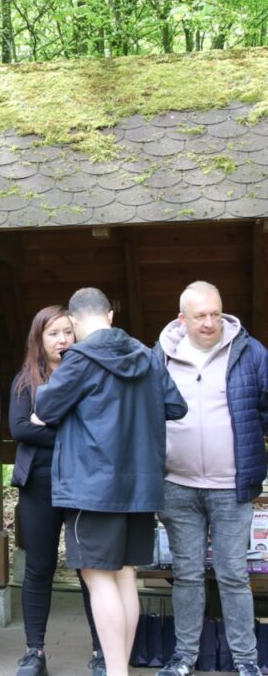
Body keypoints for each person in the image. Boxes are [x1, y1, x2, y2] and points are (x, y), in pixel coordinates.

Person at [33, 287, 187, 676]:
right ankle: (121, 670)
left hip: (92, 486)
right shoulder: (147, 355)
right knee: (125, 576)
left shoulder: (81, 357)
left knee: (98, 578)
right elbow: (175, 405)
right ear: (110, 316)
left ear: (75, 320)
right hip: (141, 485)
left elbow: (46, 406)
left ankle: (117, 672)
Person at [152, 281, 268, 676]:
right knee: (186, 575)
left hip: (231, 486)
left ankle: (246, 661)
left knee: (233, 574)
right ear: (182, 318)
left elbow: (266, 409)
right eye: (200, 315)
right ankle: (184, 658)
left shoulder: (251, 352)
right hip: (176, 484)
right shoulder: (161, 356)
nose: (209, 322)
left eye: (215, 313)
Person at [8, 306, 102, 676]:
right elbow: (20, 429)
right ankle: (35, 652)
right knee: (39, 567)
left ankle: (101, 651)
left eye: (67, 332)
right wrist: (71, 434)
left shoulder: (90, 373)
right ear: (39, 339)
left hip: (84, 483)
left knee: (91, 570)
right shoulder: (26, 379)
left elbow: (98, 428)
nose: (62, 340)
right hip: (40, 483)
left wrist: (47, 423)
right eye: (53, 334)